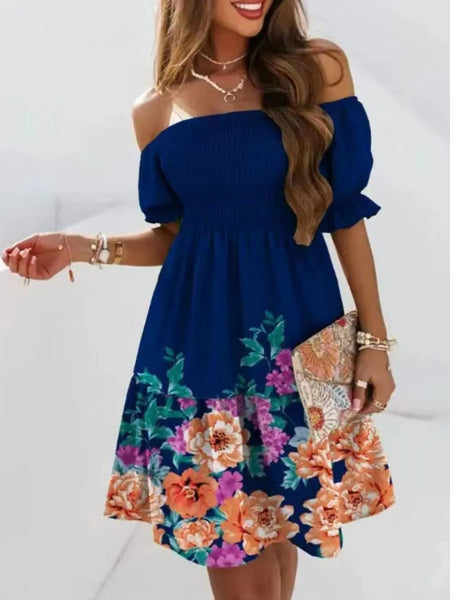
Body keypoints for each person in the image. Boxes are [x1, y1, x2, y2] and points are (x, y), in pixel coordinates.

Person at [1, 1, 397, 598]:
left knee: (278, 528)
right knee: (228, 537)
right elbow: (179, 239)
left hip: (293, 344)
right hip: (199, 351)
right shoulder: (156, 109)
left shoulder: (317, 69)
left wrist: (374, 341)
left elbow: (345, 215)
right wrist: (80, 247)